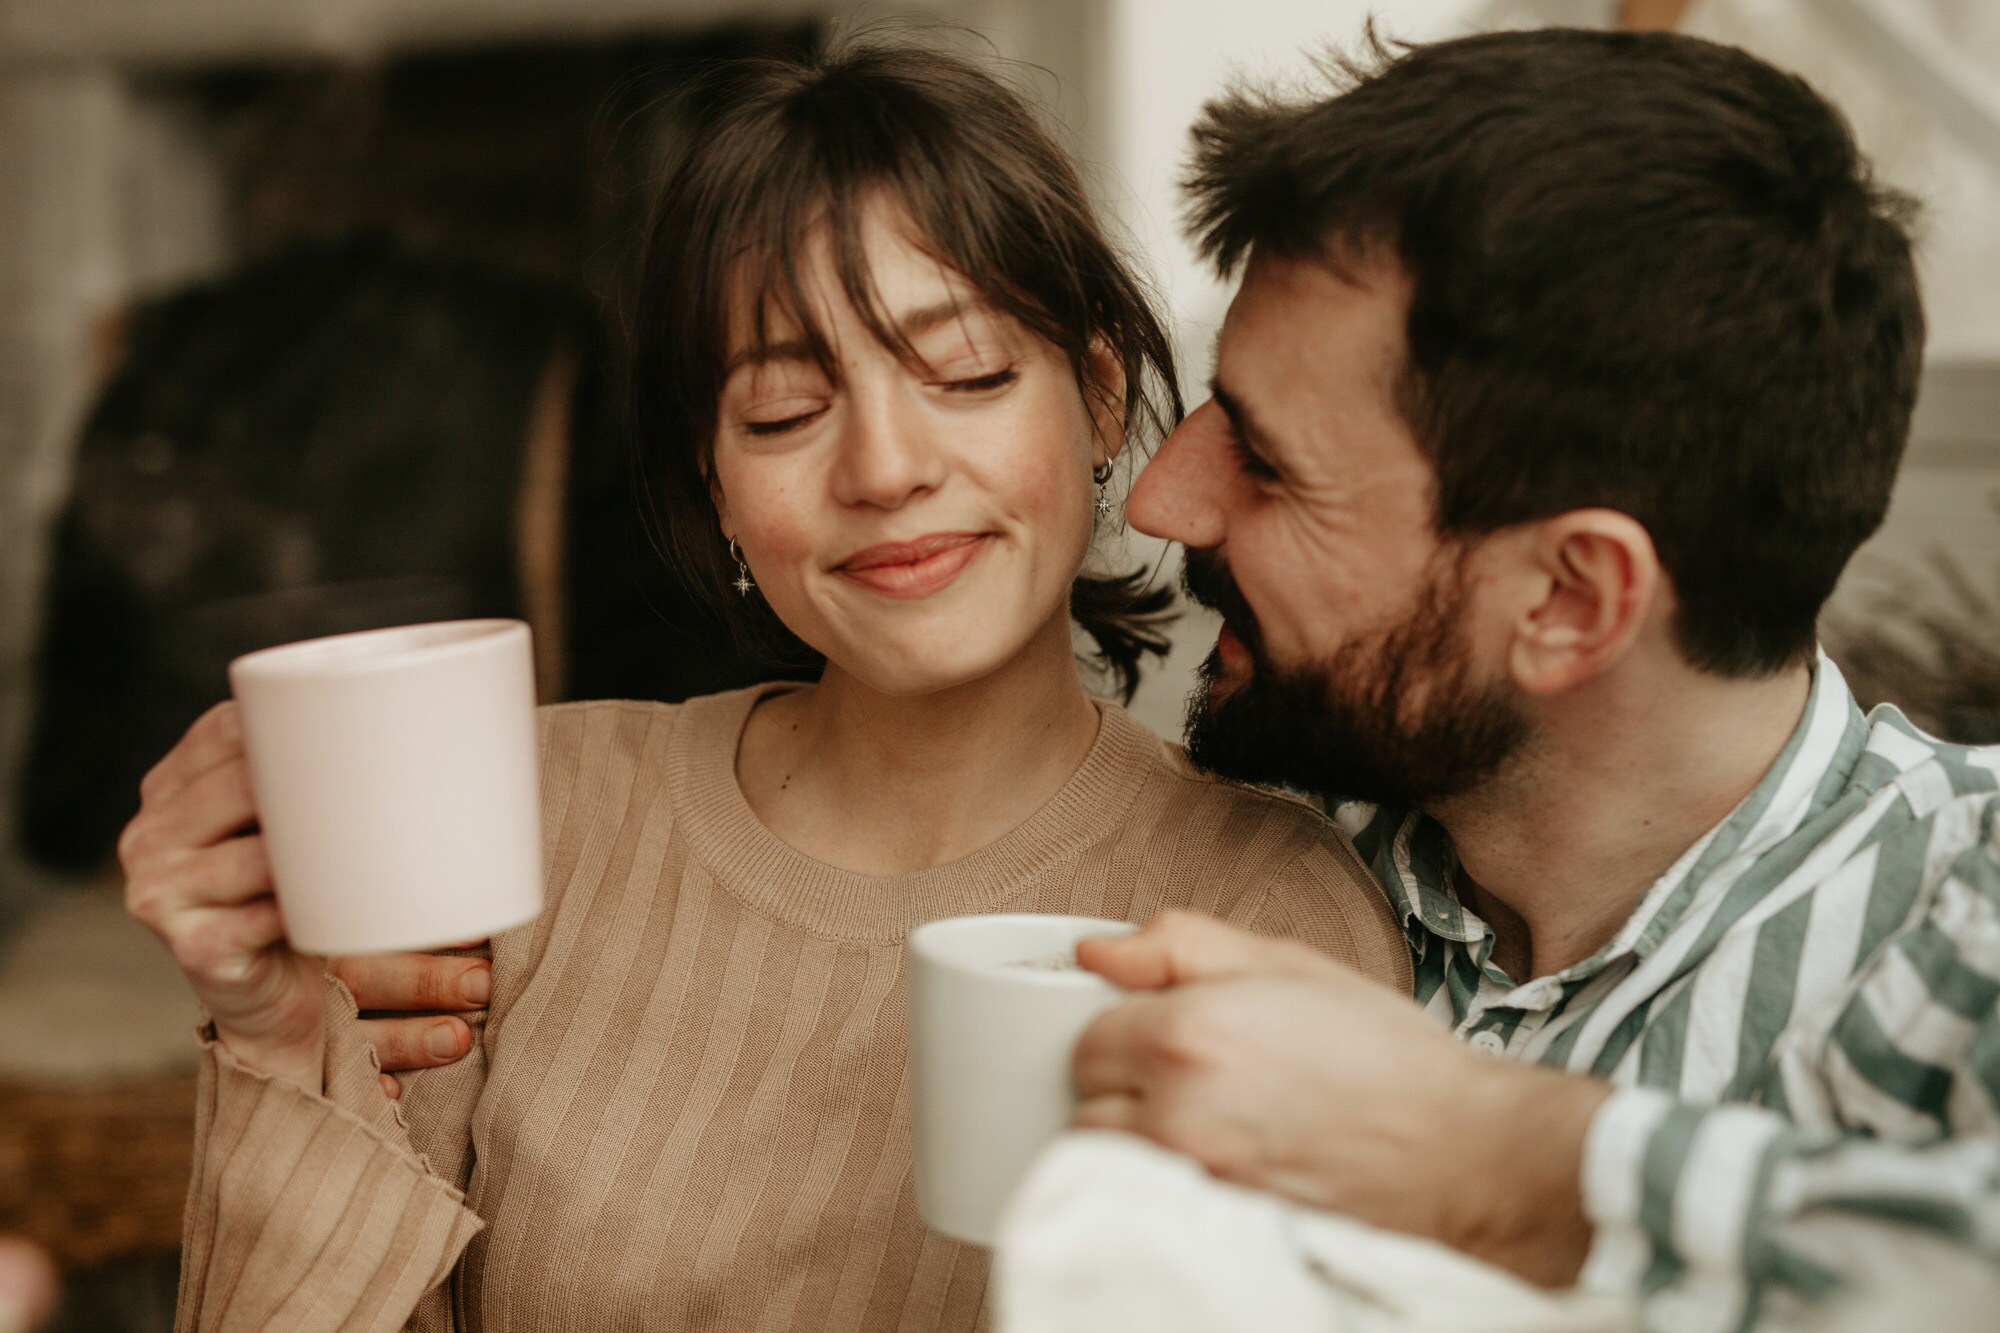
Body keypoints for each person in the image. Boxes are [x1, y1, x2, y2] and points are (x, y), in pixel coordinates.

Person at [117, 39, 1410, 1333]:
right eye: (786, 409)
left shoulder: (1268, 911)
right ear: (716, 486)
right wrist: (284, 1041)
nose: (886, 466)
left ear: (1102, 393)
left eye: (966, 373)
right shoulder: (532, 821)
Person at [1062, 26, 1999, 1333]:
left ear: (1570, 599)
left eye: (1270, 464)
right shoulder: (1239, 869)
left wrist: (1480, 1146)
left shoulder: (1972, 913)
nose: (1166, 500)